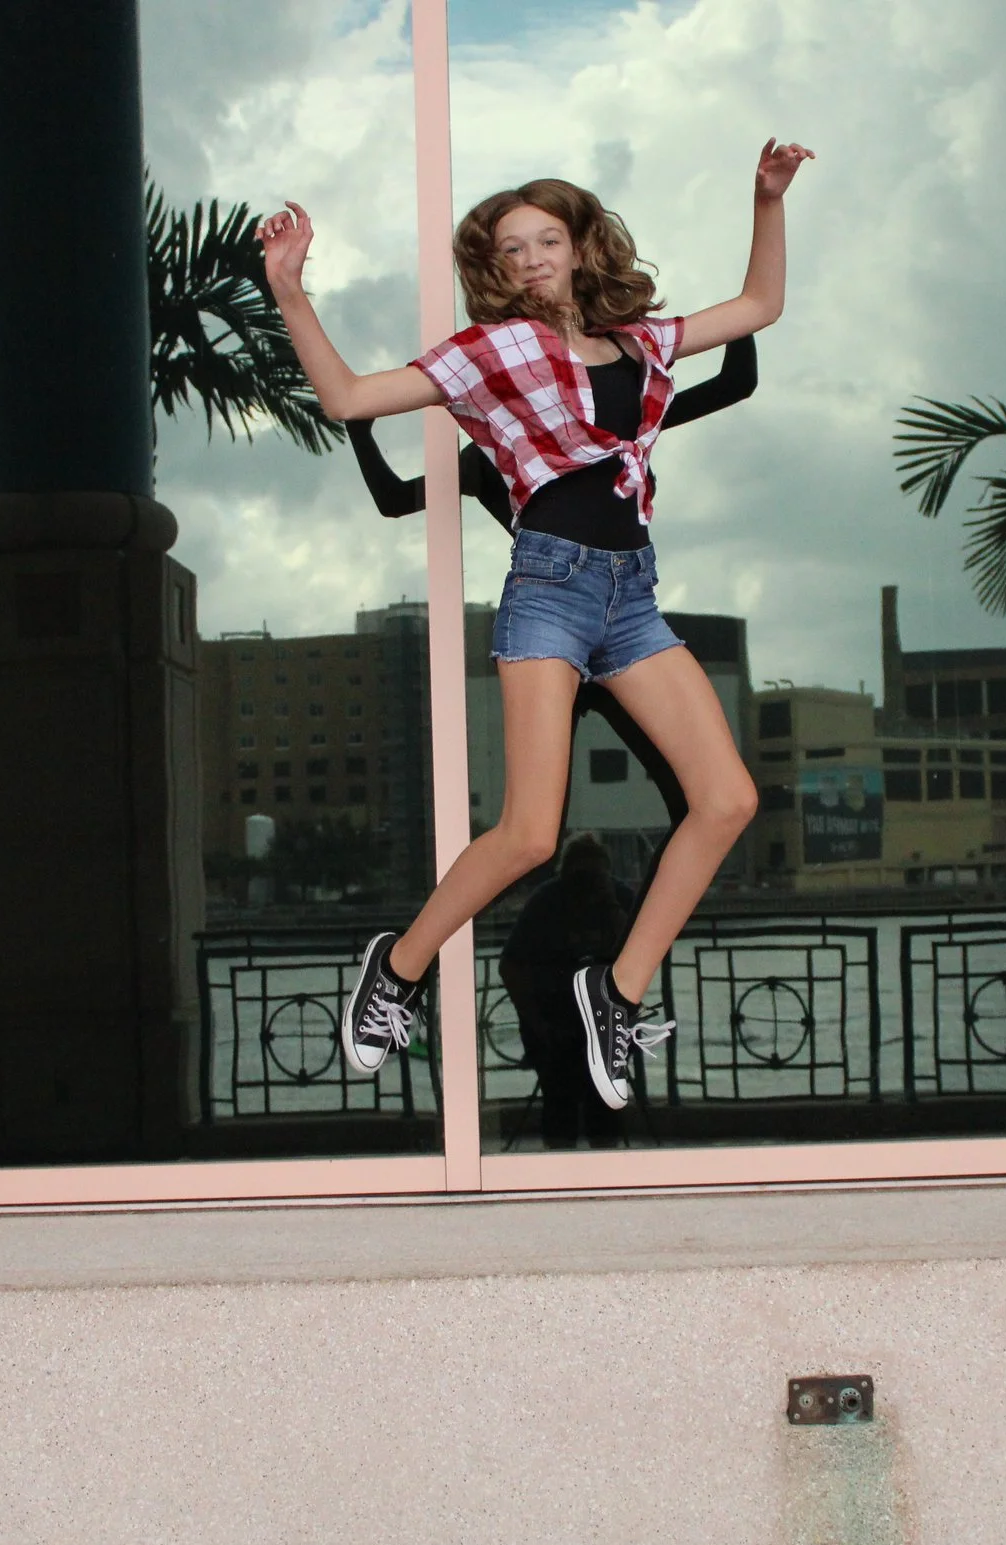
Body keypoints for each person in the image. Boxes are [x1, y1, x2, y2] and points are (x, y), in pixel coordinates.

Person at [259, 138, 814, 1112]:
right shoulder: (492, 352)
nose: (531, 259)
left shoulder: (639, 343)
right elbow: (348, 398)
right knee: (527, 833)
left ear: (581, 244)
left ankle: (616, 992)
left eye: (547, 240)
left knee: (727, 798)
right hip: (551, 586)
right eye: (511, 249)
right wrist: (290, 291)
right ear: (497, 268)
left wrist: (766, 199)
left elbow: (759, 306)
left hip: (630, 592)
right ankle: (397, 967)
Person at [340, 336, 760, 877]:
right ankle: (537, 927)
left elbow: (735, 384)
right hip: (555, 635)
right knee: (536, 835)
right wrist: (358, 425)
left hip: (610, 628)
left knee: (694, 803)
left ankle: (627, 932)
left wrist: (740, 316)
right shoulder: (495, 450)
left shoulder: (603, 418)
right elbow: (396, 500)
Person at [498, 834, 639, 1149]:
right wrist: (537, 1022)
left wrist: (610, 905)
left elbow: (641, 954)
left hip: (603, 1023)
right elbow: (510, 966)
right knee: (562, 1103)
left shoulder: (619, 898)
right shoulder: (547, 902)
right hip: (556, 1022)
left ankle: (595, 1157)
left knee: (600, 1106)